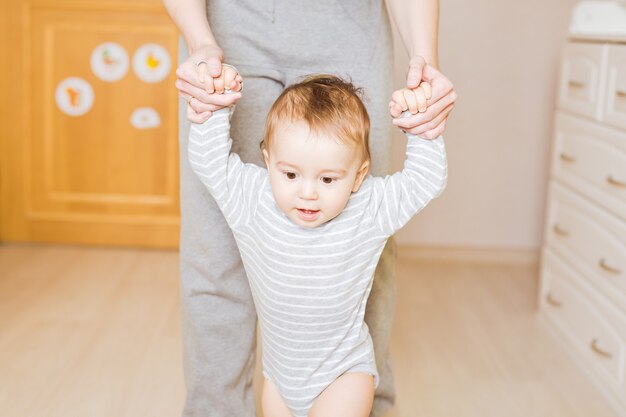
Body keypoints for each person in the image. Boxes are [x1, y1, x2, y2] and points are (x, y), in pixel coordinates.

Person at [160, 1, 457, 416]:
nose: (308, 195)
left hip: (343, 375)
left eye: (329, 180)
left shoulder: (368, 206)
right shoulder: (253, 196)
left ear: (358, 178)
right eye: (291, 177)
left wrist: (423, 116)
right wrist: (211, 99)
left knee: (375, 254)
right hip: (229, 24)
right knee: (213, 250)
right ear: (268, 162)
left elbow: (423, 181)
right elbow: (211, 163)